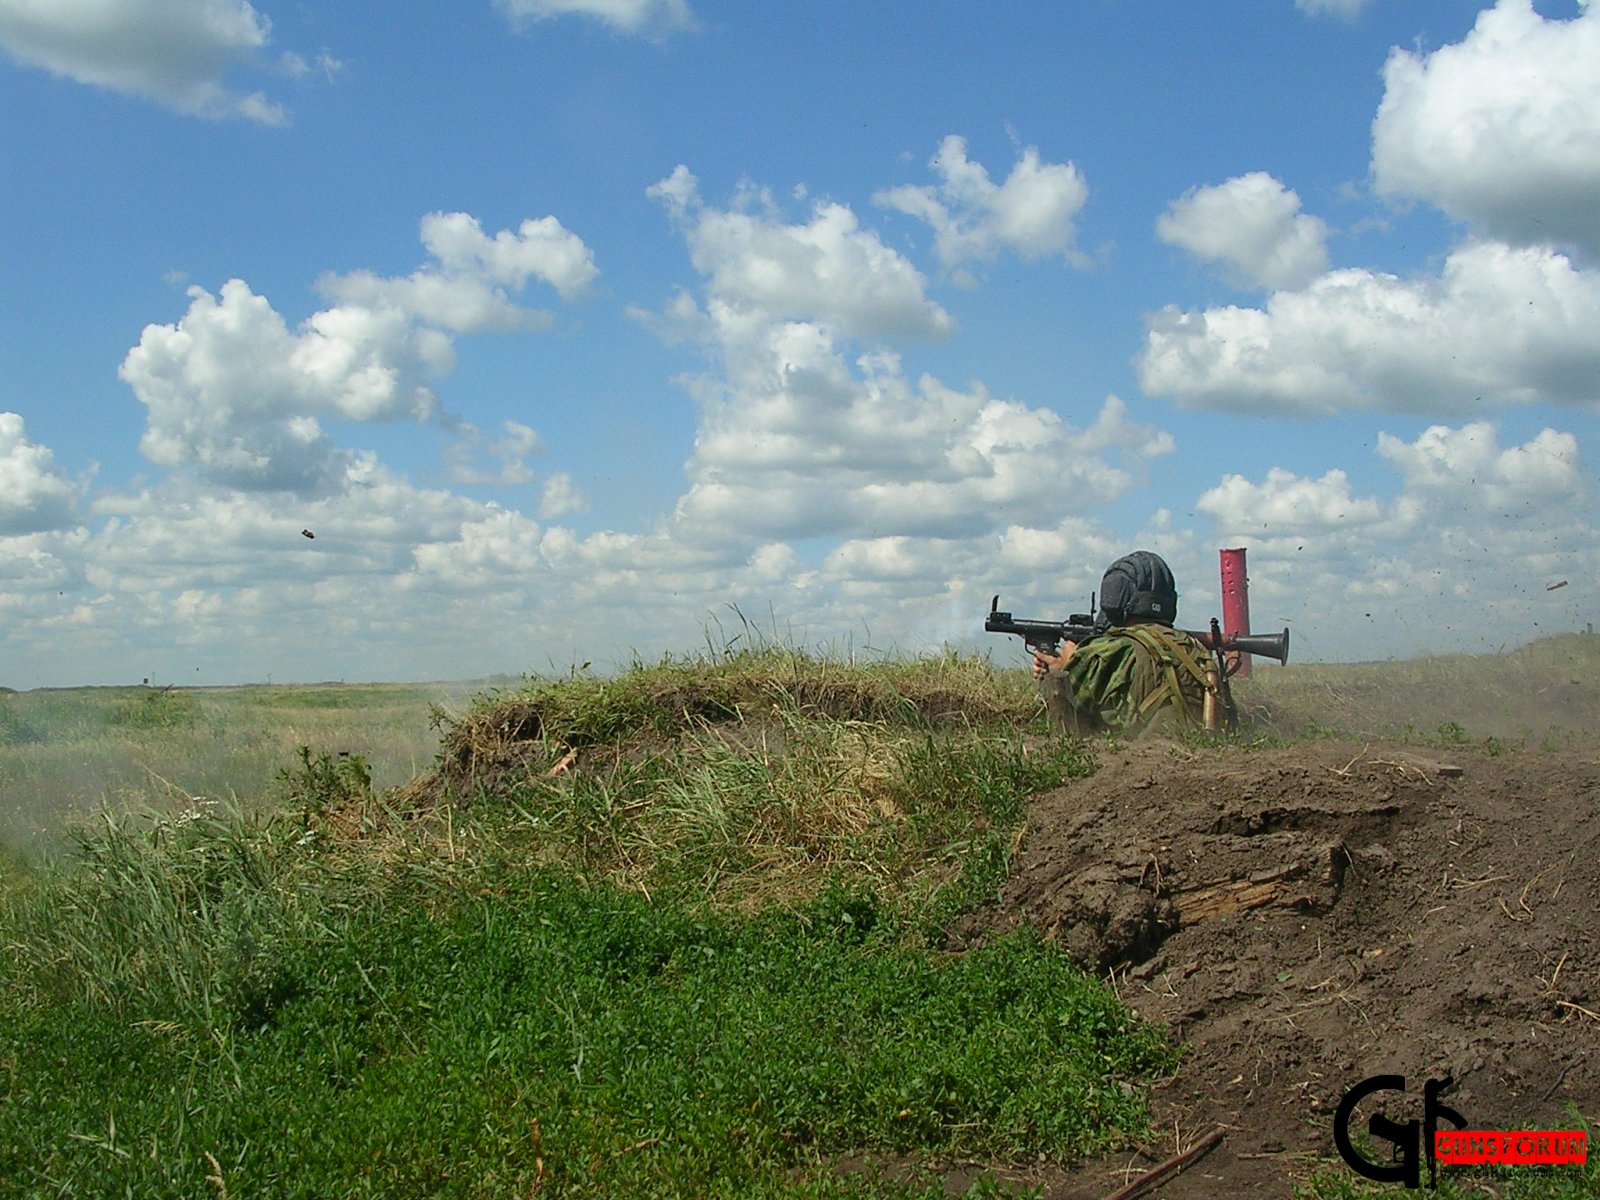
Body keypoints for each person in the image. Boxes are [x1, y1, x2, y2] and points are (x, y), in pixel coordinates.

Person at [1030, 550, 1215, 736]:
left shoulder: (1107, 652)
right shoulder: (1196, 648)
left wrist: (1062, 670)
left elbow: (1062, 724)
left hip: (1142, 760)